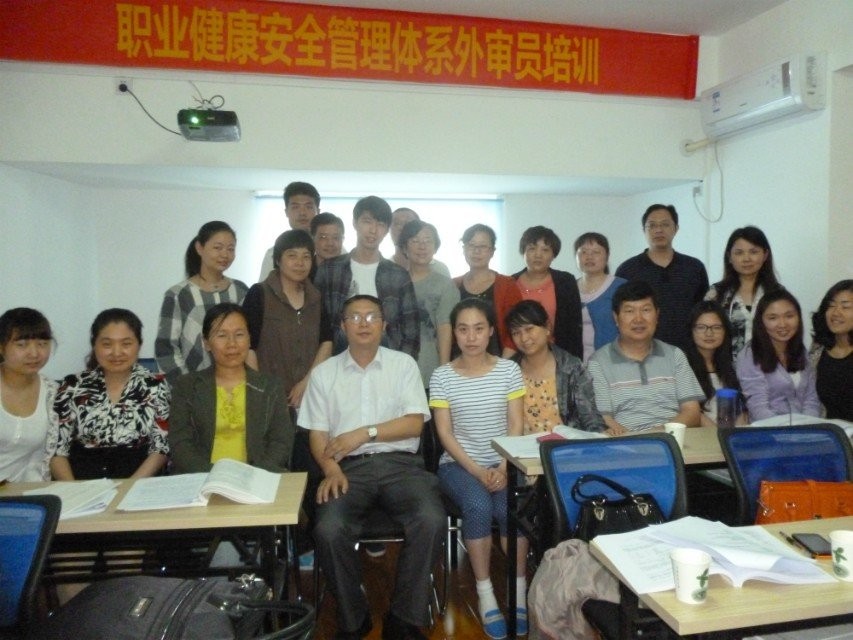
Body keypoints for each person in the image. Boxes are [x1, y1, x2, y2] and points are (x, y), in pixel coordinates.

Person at [299, 295, 444, 640]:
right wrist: (330, 469)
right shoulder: (324, 374)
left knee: (431, 519)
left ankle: (404, 618)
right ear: (342, 326)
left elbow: (414, 424)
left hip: (401, 466)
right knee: (329, 529)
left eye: (371, 317)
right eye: (355, 317)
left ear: (384, 325)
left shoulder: (403, 365)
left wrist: (365, 433)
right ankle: (354, 618)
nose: (363, 323)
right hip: (346, 469)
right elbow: (317, 434)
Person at [429, 298, 528, 639]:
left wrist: (502, 465)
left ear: (490, 332)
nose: (471, 337)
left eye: (478, 328)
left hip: (505, 461)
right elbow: (445, 434)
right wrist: (477, 470)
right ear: (454, 333)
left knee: (510, 508)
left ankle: (518, 591)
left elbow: (516, 424)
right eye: (463, 329)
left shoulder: (509, 370)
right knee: (477, 505)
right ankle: (486, 595)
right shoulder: (442, 376)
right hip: (458, 465)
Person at [169, 303, 294, 474]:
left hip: (257, 477)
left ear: (249, 339)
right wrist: (213, 476)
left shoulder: (270, 387)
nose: (232, 344)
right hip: (202, 478)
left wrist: (251, 475)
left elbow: (281, 442)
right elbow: (180, 443)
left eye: (239, 334)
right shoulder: (186, 386)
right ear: (206, 343)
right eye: (222, 335)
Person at [50, 309, 169, 480]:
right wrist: (72, 489)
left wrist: (130, 486)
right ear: (94, 345)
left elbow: (161, 447)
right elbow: (57, 449)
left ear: (139, 345)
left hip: (139, 480)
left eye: (126, 344)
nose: (116, 352)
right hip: (82, 481)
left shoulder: (155, 385)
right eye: (107, 344)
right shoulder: (72, 386)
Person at [587, 281, 704, 434]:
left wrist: (659, 434)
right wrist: (638, 439)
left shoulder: (675, 355)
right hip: (626, 441)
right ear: (616, 317)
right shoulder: (598, 362)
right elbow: (604, 419)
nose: (638, 319)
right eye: (629, 311)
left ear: (657, 315)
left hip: (673, 439)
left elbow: (692, 412)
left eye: (646, 310)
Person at [315, 195, 420, 359]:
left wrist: (401, 368)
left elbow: (411, 333)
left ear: (387, 230)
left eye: (381, 224)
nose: (373, 230)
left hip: (388, 363)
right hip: (338, 362)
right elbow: (316, 324)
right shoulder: (329, 270)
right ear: (355, 223)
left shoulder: (399, 275)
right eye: (367, 221)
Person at [243, 230, 332, 409]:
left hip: (310, 395)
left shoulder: (316, 297)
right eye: (292, 256)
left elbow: (326, 342)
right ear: (278, 260)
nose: (300, 263)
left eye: (306, 256)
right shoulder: (259, 293)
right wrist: (260, 389)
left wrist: (307, 382)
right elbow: (247, 345)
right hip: (267, 397)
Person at [156, 221, 248, 385]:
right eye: (217, 248)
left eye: (230, 249)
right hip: (193, 387)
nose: (225, 254)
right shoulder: (179, 294)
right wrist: (188, 387)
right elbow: (166, 349)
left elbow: (251, 341)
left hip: (237, 384)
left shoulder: (241, 291)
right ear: (199, 248)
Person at [615, 204, 709, 352]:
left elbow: (703, 312)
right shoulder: (627, 270)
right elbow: (620, 314)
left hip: (689, 351)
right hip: (642, 351)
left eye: (665, 224)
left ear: (676, 228)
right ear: (644, 230)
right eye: (652, 225)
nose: (659, 230)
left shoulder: (694, 268)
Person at [505, 300, 606, 434]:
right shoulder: (507, 371)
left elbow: (591, 418)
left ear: (547, 327)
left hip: (567, 445)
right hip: (521, 446)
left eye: (529, 329)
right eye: (516, 333)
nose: (524, 338)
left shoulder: (572, 367)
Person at [736, 289, 820, 421]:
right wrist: (788, 430)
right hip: (770, 429)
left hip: (805, 428)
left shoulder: (801, 350)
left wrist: (808, 427)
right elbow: (758, 409)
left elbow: (811, 400)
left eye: (789, 316)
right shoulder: (749, 355)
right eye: (773, 318)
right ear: (761, 321)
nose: (782, 324)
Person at [397, 219, 460, 387]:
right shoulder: (395, 282)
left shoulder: (445, 285)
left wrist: (444, 371)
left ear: (435, 247)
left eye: (428, 240)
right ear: (404, 247)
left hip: (430, 368)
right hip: (396, 369)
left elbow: (445, 328)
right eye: (415, 241)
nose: (422, 246)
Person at [705, 226, 781, 357]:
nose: (746, 258)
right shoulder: (716, 294)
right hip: (724, 367)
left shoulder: (777, 293)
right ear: (729, 257)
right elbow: (703, 332)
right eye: (739, 253)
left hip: (767, 367)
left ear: (765, 255)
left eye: (753, 252)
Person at [0, 308, 57, 482]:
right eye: (22, 345)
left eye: (42, 344)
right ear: (1, 347)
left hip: (27, 493)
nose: (34, 353)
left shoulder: (53, 393)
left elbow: (45, 458)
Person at [512, 226, 583, 359]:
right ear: (523, 252)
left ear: (553, 255)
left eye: (545, 250)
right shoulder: (510, 283)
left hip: (558, 356)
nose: (538, 255)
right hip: (519, 356)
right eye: (532, 248)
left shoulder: (566, 282)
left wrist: (574, 362)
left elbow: (574, 327)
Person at [454, 223, 522, 358]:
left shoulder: (507, 285)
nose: (476, 251)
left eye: (483, 246)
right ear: (464, 249)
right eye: (471, 245)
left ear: (492, 251)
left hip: (499, 360)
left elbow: (517, 326)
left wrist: (502, 365)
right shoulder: (453, 285)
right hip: (460, 361)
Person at [683, 301, 744, 427]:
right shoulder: (682, 366)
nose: (709, 333)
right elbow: (692, 413)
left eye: (716, 327)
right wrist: (717, 434)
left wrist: (737, 432)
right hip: (701, 434)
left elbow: (743, 409)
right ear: (691, 330)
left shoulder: (733, 366)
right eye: (701, 327)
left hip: (732, 433)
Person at [574, 232, 627, 362]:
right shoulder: (569, 288)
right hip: (576, 364)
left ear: (607, 256)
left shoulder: (621, 287)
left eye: (596, 252)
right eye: (583, 252)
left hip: (614, 361)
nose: (589, 257)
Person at [258, 181, 320, 279]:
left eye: (308, 207)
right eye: (295, 207)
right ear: (286, 212)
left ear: (318, 211)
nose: (302, 213)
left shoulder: (332, 250)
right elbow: (264, 287)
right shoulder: (273, 253)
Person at [810, 280, 852, 420]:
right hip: (829, 431)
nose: (836, 312)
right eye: (831, 305)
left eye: (845, 307)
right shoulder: (818, 349)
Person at [389, 207, 450, 276]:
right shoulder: (383, 269)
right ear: (388, 229)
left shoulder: (440, 269)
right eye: (397, 223)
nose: (403, 227)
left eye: (409, 223)